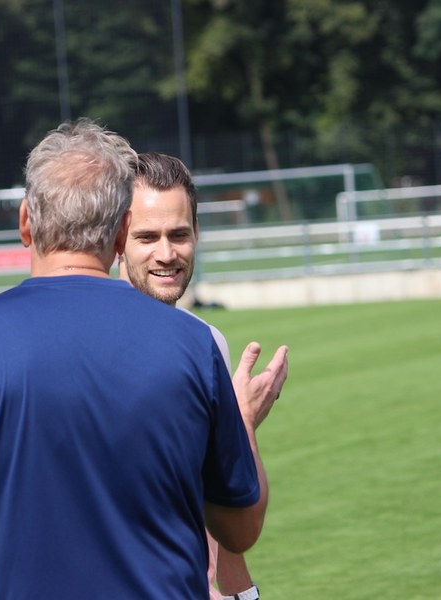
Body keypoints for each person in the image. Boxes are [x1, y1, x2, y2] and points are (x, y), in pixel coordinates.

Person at [0, 120, 276, 600]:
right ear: (121, 233)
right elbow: (239, 530)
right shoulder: (192, 343)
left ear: (25, 222)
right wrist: (243, 422)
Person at [119, 152, 289, 599]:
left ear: (197, 232)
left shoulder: (205, 341)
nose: (166, 254)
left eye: (178, 234)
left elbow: (223, 517)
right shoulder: (90, 341)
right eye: (147, 237)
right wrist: (242, 421)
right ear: (118, 236)